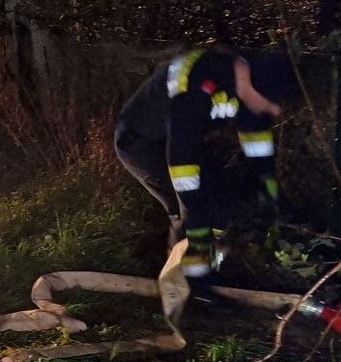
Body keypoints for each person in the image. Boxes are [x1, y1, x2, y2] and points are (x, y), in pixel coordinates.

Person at [113, 47, 299, 292]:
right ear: (250, 84)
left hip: (184, 141)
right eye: (271, 103)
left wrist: (269, 187)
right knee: (195, 212)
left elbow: (257, 139)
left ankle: (200, 269)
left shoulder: (252, 84)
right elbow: (182, 160)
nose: (275, 111)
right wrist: (197, 214)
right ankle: (189, 285)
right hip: (144, 144)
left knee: (217, 202)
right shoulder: (197, 80)